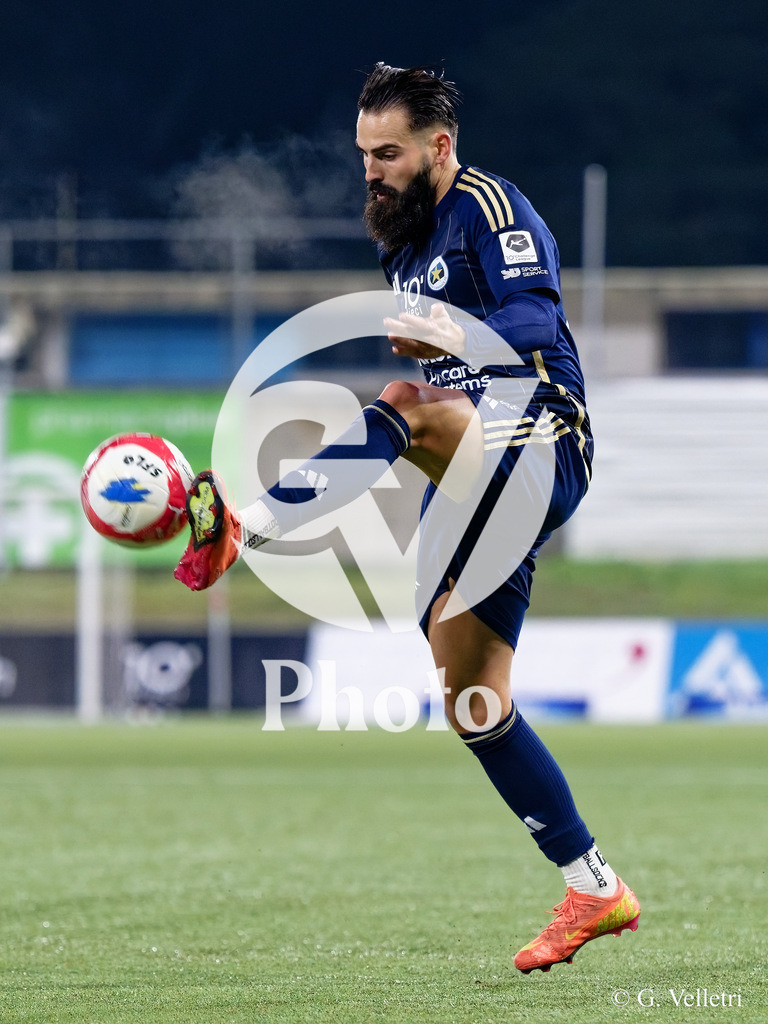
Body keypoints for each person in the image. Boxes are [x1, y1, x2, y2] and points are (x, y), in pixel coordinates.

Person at [174, 62, 640, 974]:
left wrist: (447, 337)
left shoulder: (490, 210)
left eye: (388, 153)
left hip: (542, 437)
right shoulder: (403, 241)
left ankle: (245, 523)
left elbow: (537, 326)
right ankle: (594, 887)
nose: (372, 171)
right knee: (474, 702)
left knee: (401, 399)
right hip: (473, 473)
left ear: (440, 146)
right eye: (362, 156)